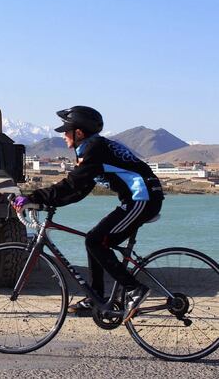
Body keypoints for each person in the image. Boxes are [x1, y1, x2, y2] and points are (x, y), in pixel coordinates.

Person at [12, 106, 164, 321]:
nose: (63, 135)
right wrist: (47, 203)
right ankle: (97, 297)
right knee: (94, 240)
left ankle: (135, 289)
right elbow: (79, 191)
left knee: (96, 241)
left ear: (79, 133)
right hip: (136, 200)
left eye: (66, 130)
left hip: (143, 200)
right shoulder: (92, 149)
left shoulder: (94, 149)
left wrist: (33, 197)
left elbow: (72, 184)